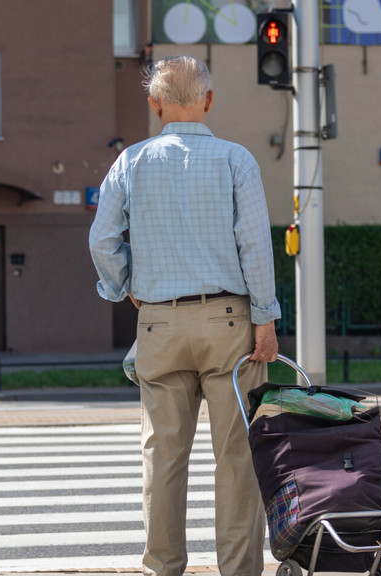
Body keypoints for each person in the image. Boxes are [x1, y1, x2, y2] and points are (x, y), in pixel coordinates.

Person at [89, 55, 280, 576]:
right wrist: (265, 317)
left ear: (154, 106)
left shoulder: (131, 162)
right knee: (237, 458)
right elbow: (254, 246)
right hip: (228, 321)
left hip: (159, 323)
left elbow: (102, 239)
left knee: (163, 457)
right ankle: (238, 570)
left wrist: (124, 286)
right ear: (209, 100)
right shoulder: (236, 160)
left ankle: (162, 568)